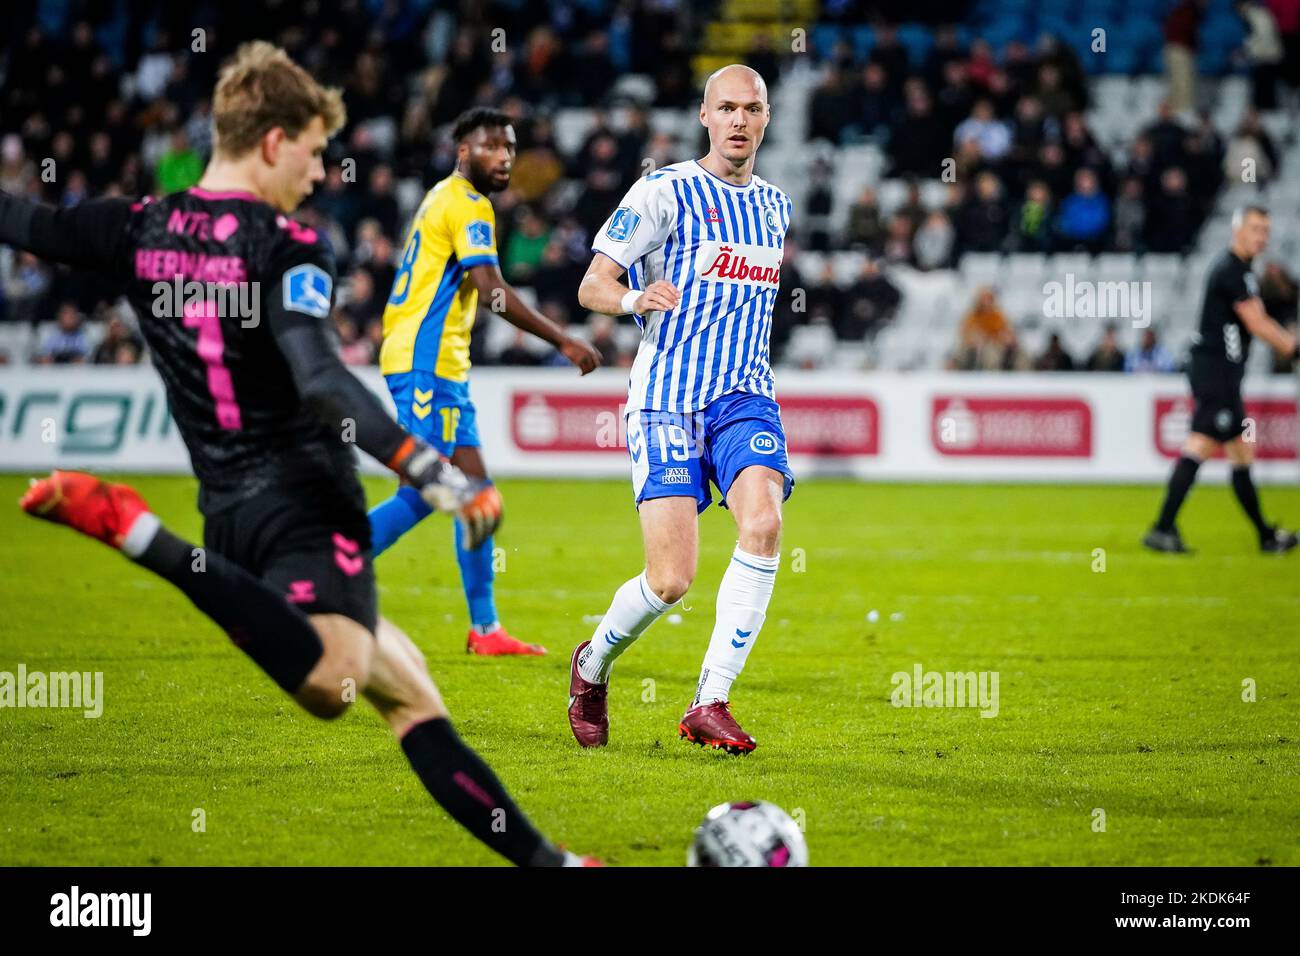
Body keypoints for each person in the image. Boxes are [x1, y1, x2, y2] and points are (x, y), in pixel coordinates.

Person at [3, 42, 592, 866]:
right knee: (334, 682)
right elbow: (319, 376)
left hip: (228, 514)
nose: (320, 175)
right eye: (315, 153)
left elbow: (27, 221)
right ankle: (139, 536)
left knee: (411, 696)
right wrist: (425, 468)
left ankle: (549, 863)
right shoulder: (285, 246)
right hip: (307, 502)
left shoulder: (134, 225)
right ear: (275, 142)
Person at [569, 64, 793, 755]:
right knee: (670, 581)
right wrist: (635, 299)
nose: (737, 120)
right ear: (704, 116)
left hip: (744, 398)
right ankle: (592, 665)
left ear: (764, 118)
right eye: (725, 107)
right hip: (666, 402)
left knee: (762, 524)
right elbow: (592, 285)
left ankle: (711, 700)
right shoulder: (663, 193)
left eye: (750, 109)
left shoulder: (776, 207)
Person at [366, 108, 601, 657]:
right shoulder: (465, 204)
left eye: (511, 148)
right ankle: (325, 569)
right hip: (423, 364)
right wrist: (562, 339)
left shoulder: (446, 198)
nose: (505, 157)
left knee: (478, 498)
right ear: (462, 151)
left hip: (444, 366)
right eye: (492, 146)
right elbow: (490, 288)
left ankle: (485, 629)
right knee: (428, 491)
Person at [1144, 206, 1299, 554]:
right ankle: (1162, 527)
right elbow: (1256, 323)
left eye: (1266, 231)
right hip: (1215, 373)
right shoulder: (1232, 271)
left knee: (1242, 451)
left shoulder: (1239, 271)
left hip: (1222, 374)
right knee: (1201, 444)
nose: (1262, 237)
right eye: (1256, 228)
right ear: (1237, 230)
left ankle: (1264, 535)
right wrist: (1294, 348)